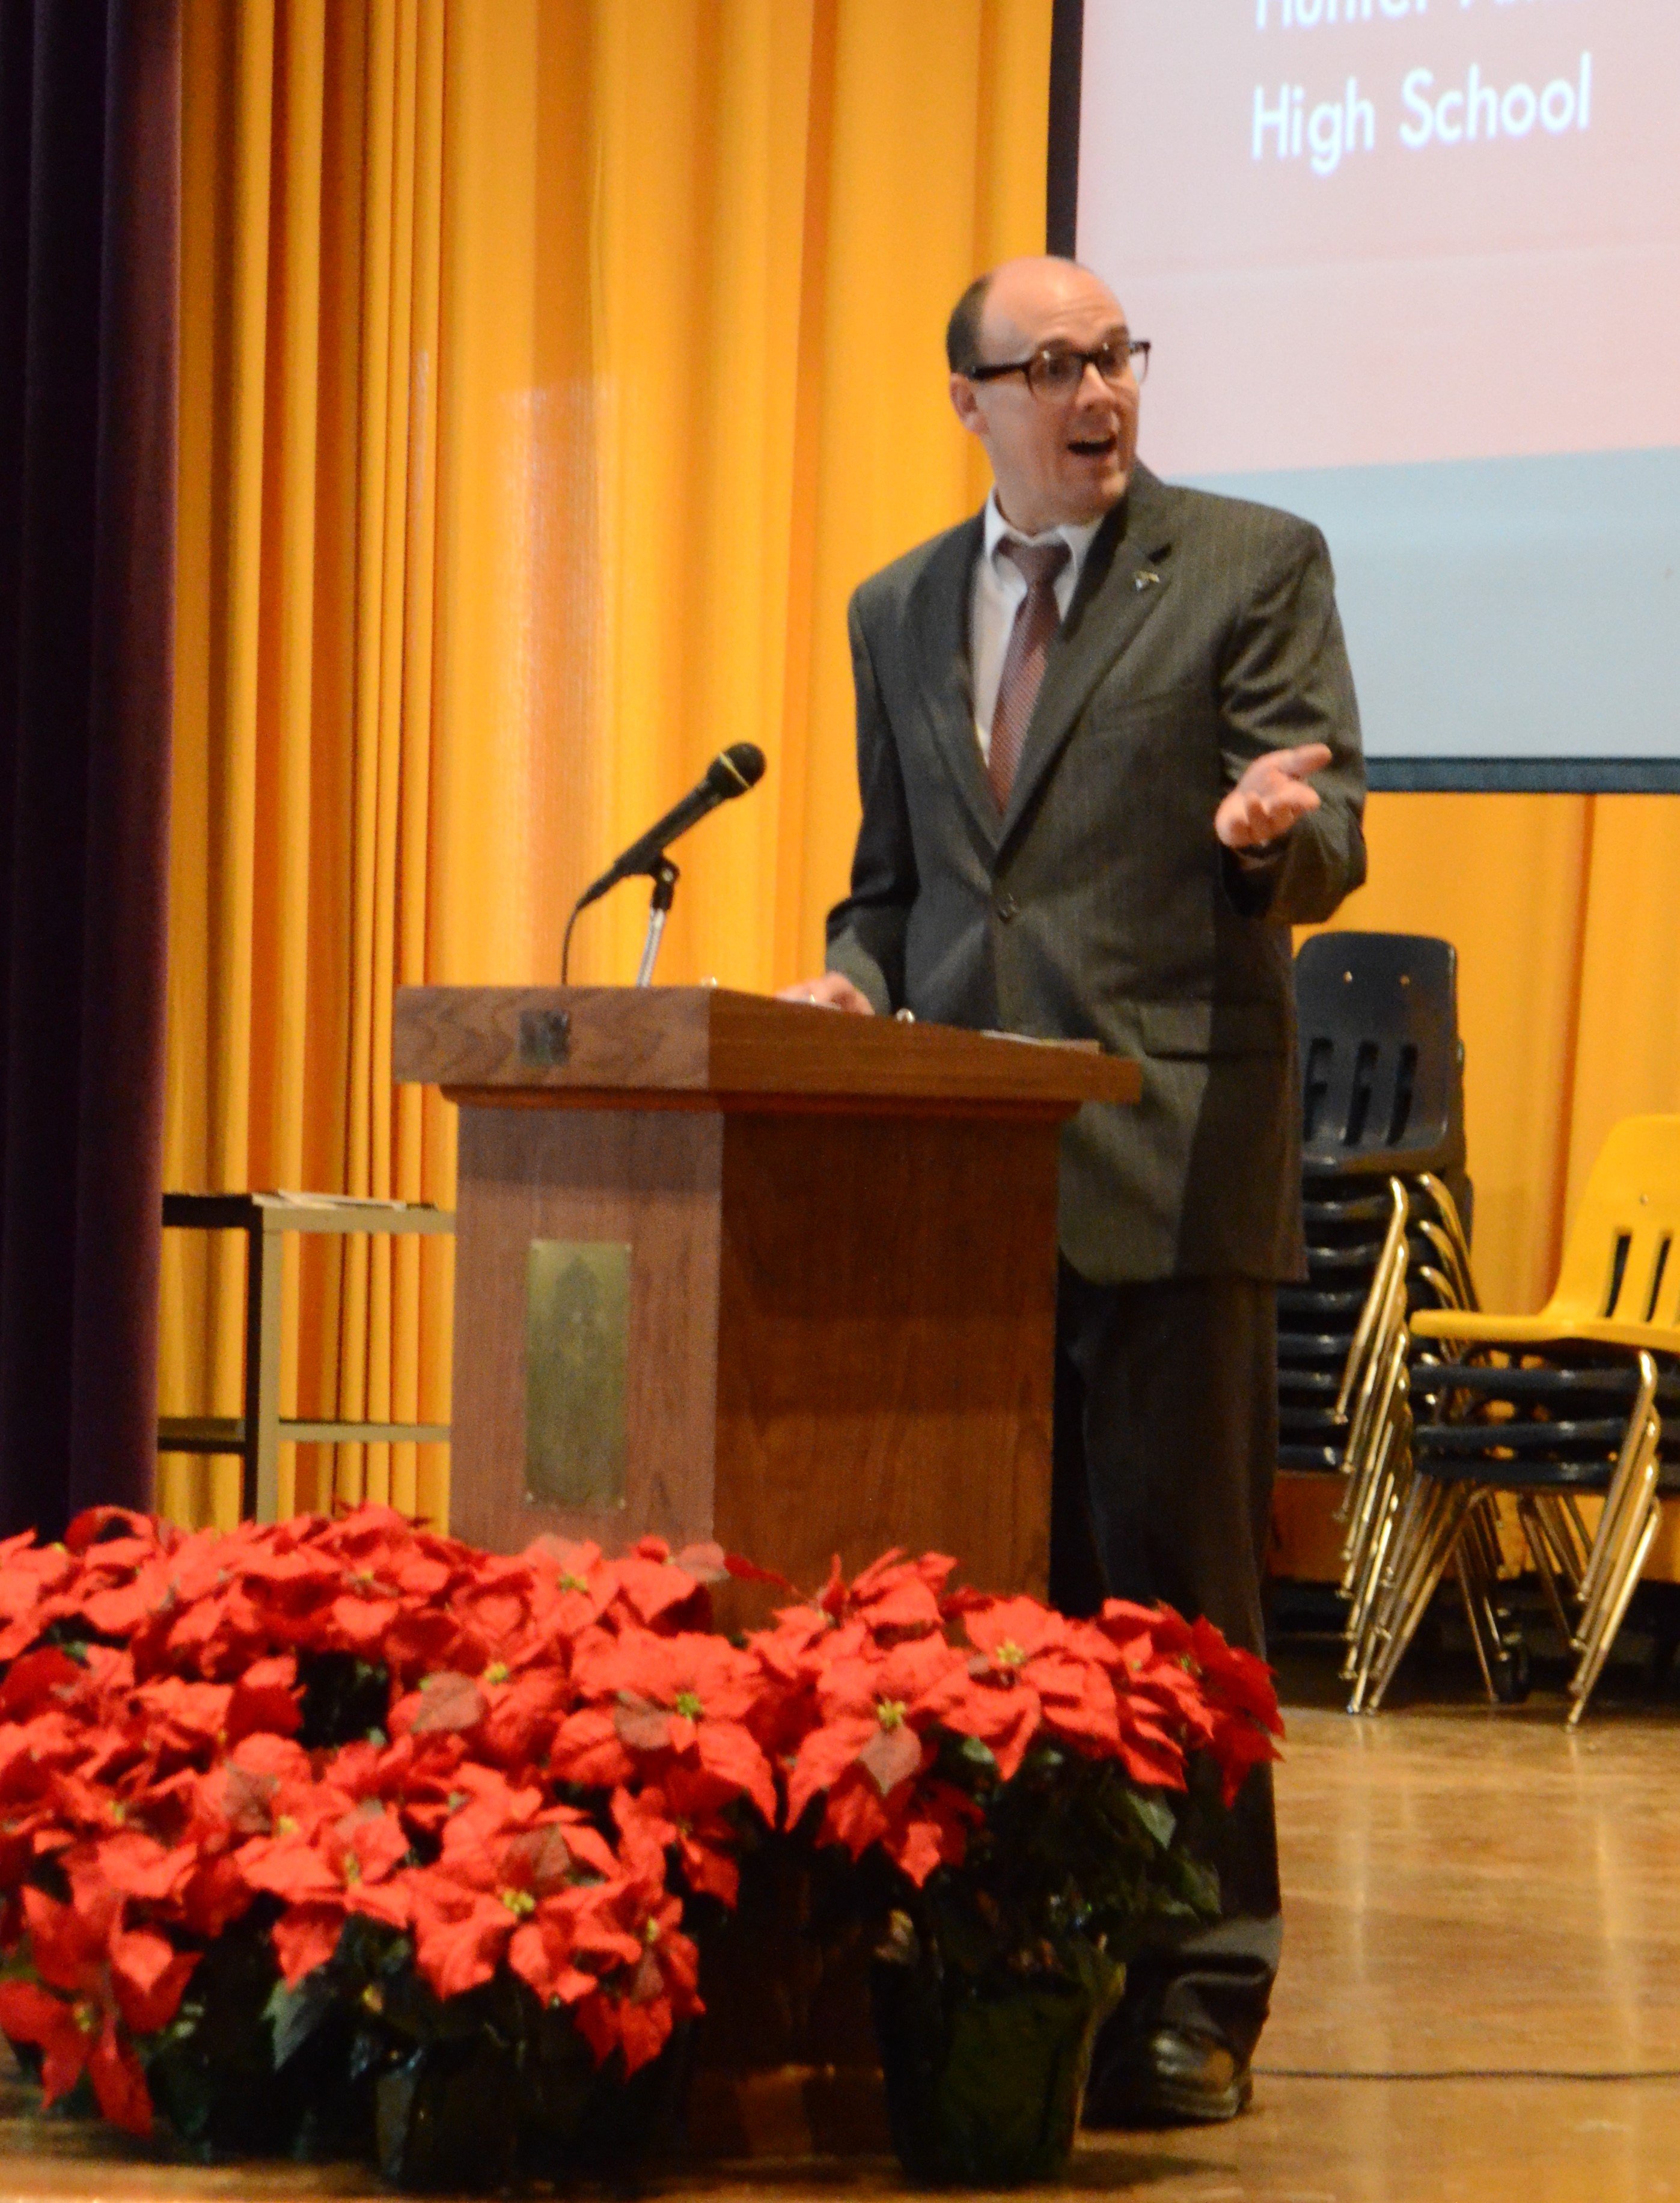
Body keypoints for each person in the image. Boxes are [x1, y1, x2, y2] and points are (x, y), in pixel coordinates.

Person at [780, 255, 1366, 2124]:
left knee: (1182, 1601)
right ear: (967, 401)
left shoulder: (1247, 564)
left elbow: (1327, 814)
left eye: (1111, 354)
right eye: (1047, 365)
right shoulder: (894, 609)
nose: (1092, 388)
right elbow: (898, 889)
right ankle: (1006, 1956)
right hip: (953, 1188)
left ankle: (1203, 1983)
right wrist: (850, 984)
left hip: (1163, 1155)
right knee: (981, 1601)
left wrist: (1279, 833)